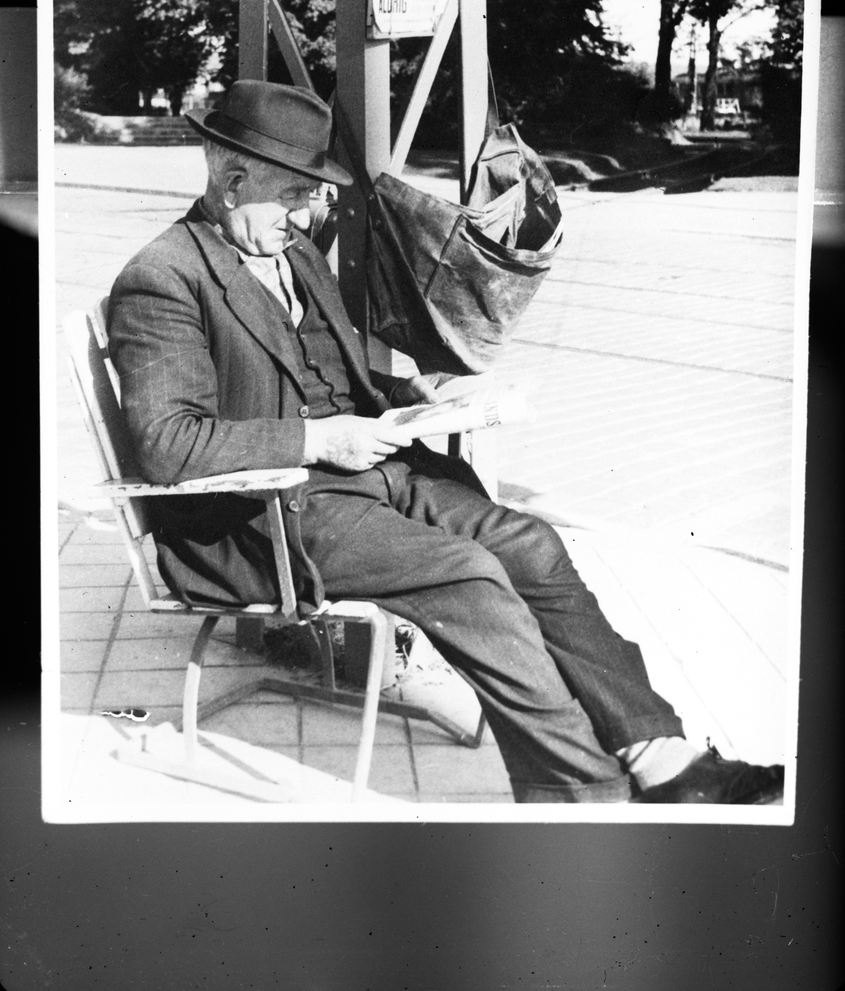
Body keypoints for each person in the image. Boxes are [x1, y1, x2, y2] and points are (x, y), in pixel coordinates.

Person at [107, 80, 784, 806]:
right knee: (468, 574)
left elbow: (325, 369)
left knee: (529, 544)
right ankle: (579, 793)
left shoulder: (292, 249)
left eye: (311, 194)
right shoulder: (164, 278)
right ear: (235, 182)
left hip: (366, 472)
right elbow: (167, 443)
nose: (305, 214)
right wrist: (319, 438)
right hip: (263, 515)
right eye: (293, 195)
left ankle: (659, 756)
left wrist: (410, 394)